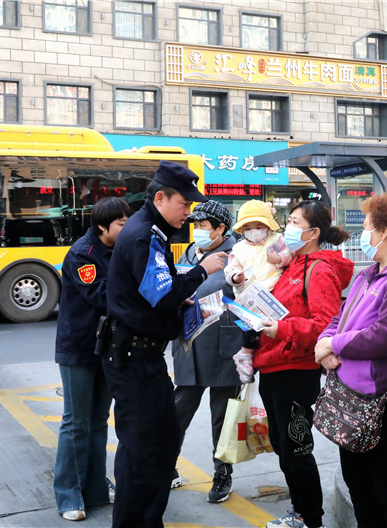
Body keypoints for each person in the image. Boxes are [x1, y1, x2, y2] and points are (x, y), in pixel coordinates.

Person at [102, 161, 228, 528]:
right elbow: (162, 294)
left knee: (161, 441)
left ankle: (147, 519)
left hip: (144, 356)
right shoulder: (143, 235)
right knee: (142, 451)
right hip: (134, 358)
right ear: (160, 198)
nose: (188, 213)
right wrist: (203, 271)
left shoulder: (151, 231)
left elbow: (158, 292)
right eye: (184, 204)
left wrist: (181, 299)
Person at [315, 194, 387, 528]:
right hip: (349, 395)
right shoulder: (369, 273)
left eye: (366, 227)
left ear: (384, 231)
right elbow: (340, 316)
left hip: (382, 400)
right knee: (358, 484)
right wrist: (326, 341)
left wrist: (334, 344)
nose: (362, 234)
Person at [254, 200, 354, 528]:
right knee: (284, 447)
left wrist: (283, 329)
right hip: (273, 366)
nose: (288, 228)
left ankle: (310, 518)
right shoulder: (293, 263)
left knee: (296, 448)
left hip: (296, 372)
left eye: (295, 223)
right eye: (289, 221)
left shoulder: (319, 270)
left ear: (312, 233)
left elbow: (326, 326)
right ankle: (300, 511)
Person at [53, 197, 131, 521]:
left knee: (98, 420)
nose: (127, 228)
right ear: (102, 226)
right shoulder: (82, 254)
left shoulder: (118, 250)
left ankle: (96, 488)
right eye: (122, 223)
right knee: (76, 422)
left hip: (108, 346)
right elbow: (101, 295)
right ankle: (68, 494)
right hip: (79, 348)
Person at [169, 200, 243, 503]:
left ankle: (222, 475)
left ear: (220, 228)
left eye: (202, 226)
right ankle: (166, 467)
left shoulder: (238, 255)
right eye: (195, 225)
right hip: (189, 346)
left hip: (225, 347)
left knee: (222, 418)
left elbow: (250, 298)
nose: (197, 231)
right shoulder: (189, 252)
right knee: (177, 412)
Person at [224, 200, 292, 383]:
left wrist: (279, 258)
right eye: (248, 228)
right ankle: (246, 354)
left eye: (259, 227)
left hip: (273, 291)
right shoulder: (239, 249)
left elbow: (290, 254)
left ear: (268, 226)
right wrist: (235, 277)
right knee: (251, 328)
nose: (253, 231)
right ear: (242, 229)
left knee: (269, 328)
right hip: (248, 296)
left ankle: (250, 355)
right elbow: (231, 268)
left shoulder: (276, 240)